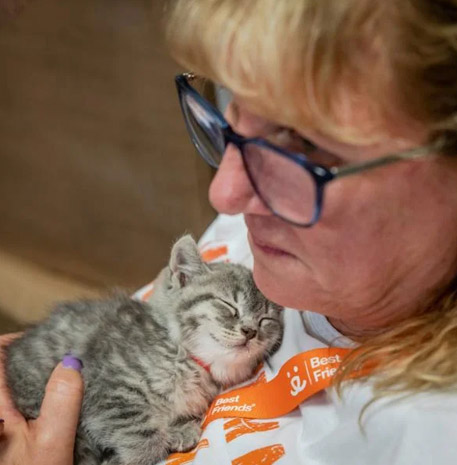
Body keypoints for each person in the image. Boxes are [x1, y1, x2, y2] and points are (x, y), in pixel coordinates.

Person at [3, 0, 457, 463]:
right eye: (230, 120)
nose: (225, 194)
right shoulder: (270, 234)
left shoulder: (426, 437)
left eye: (302, 147)